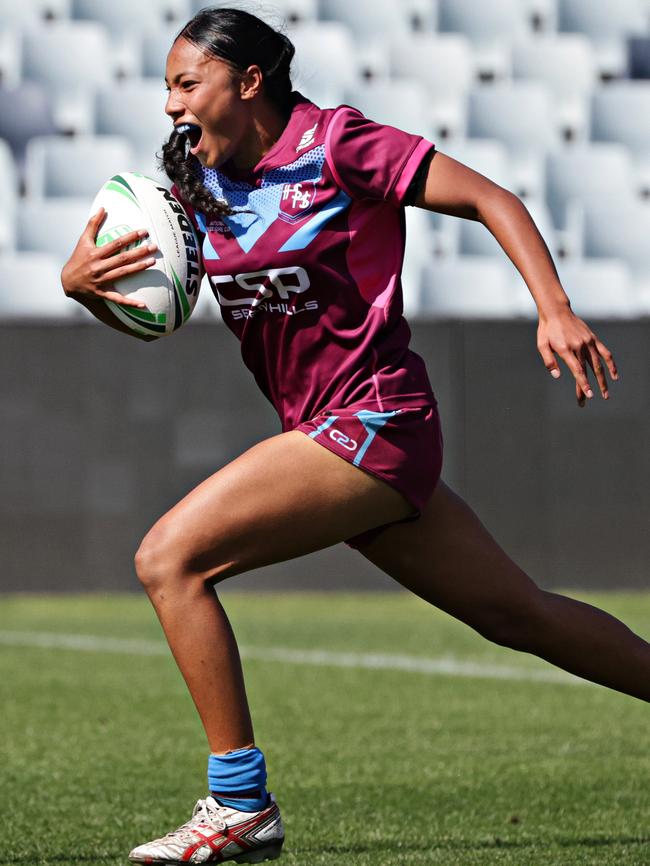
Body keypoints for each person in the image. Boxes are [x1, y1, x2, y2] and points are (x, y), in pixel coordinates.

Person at [61, 8, 650, 864]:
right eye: (166, 89)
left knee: (168, 558)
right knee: (520, 616)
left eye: (186, 84)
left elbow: (493, 198)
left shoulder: (338, 145)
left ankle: (239, 804)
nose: (170, 106)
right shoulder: (194, 185)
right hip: (333, 436)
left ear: (248, 81)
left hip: (376, 420)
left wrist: (554, 308)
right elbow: (154, 313)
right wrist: (85, 289)